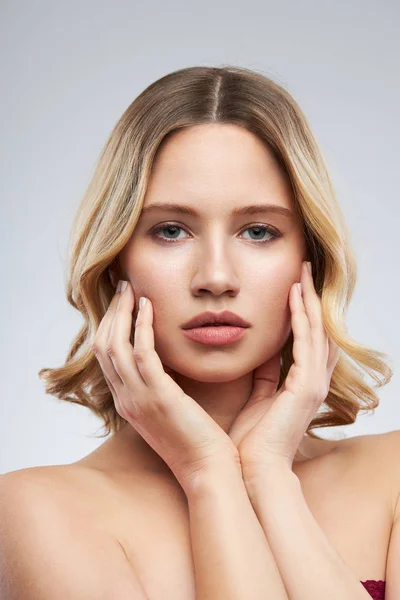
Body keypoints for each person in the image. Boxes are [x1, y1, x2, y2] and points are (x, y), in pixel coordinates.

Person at [0, 65, 396, 599]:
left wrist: (268, 476)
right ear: (117, 260)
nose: (215, 277)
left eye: (259, 231)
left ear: (312, 259)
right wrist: (209, 473)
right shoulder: (38, 511)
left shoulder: (392, 475)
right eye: (170, 230)